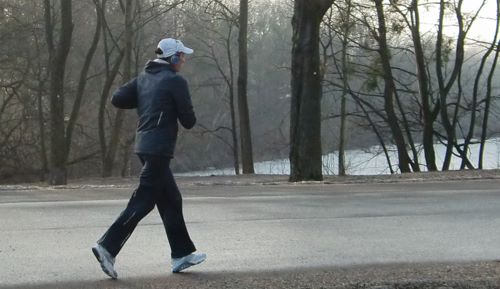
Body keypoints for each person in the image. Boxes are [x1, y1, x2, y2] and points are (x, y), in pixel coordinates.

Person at [92, 38, 206, 279]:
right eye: (181, 56)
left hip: (144, 146)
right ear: (172, 58)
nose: (184, 60)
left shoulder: (145, 77)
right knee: (143, 200)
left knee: (171, 200)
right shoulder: (175, 81)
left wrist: (149, 97)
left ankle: (182, 254)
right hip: (158, 149)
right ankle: (107, 247)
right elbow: (189, 121)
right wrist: (167, 103)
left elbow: (118, 98)